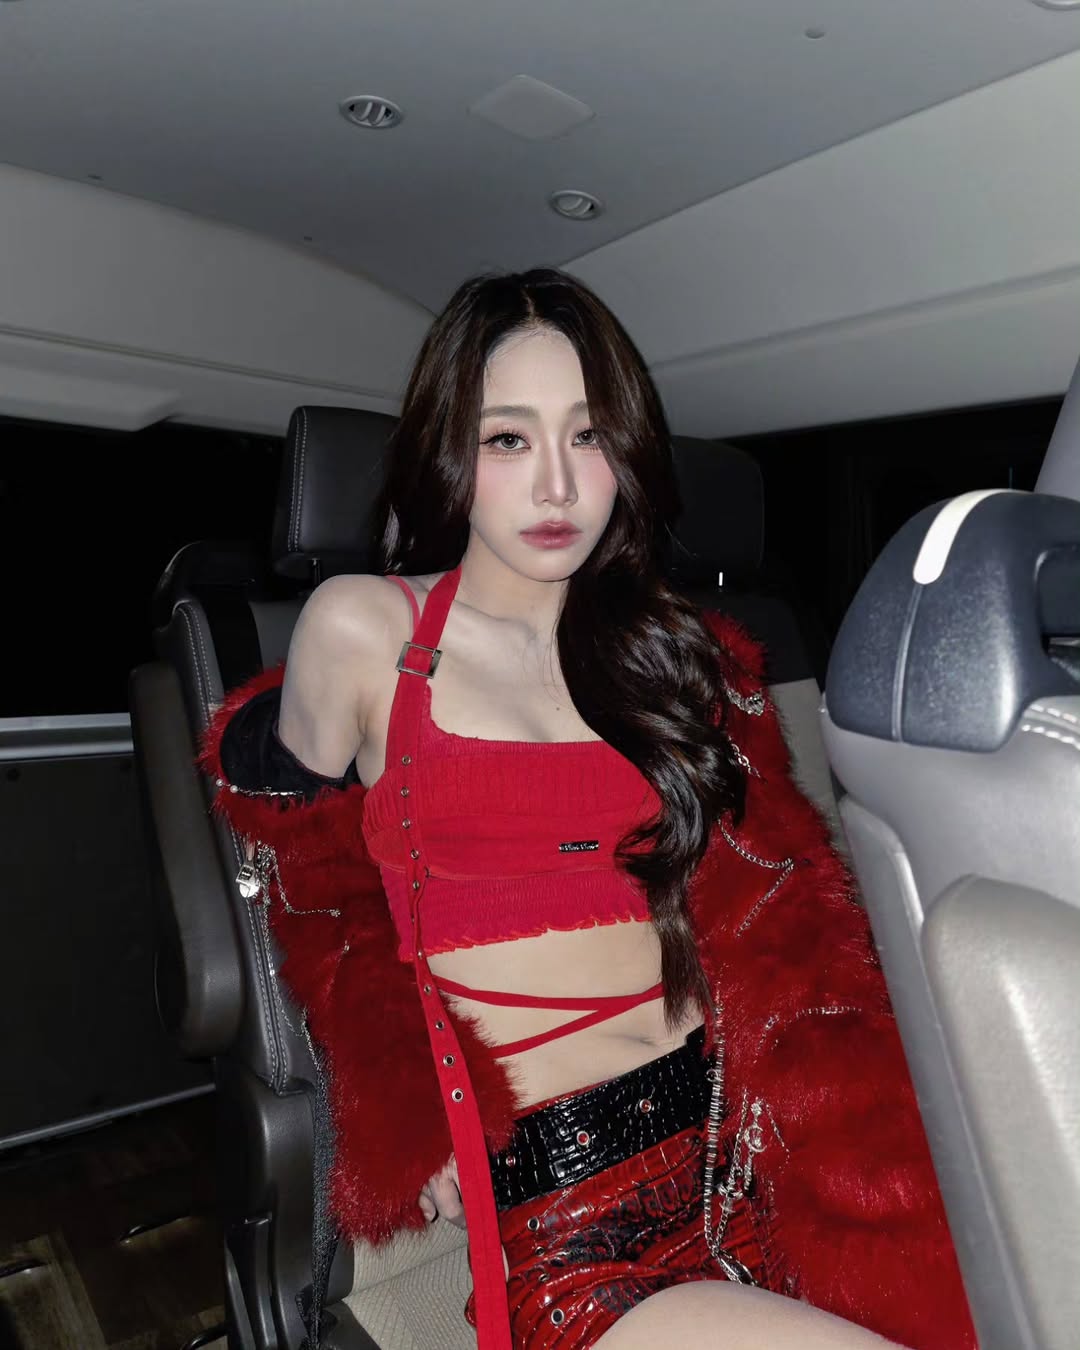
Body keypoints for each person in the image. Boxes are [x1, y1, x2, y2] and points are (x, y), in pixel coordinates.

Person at [200, 269, 976, 1349]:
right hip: (573, 1221)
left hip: (756, 1152)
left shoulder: (671, 657)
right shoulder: (368, 630)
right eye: (508, 439)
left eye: (590, 436)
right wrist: (401, 1104)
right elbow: (313, 880)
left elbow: (785, 922)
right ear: (449, 450)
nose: (558, 485)